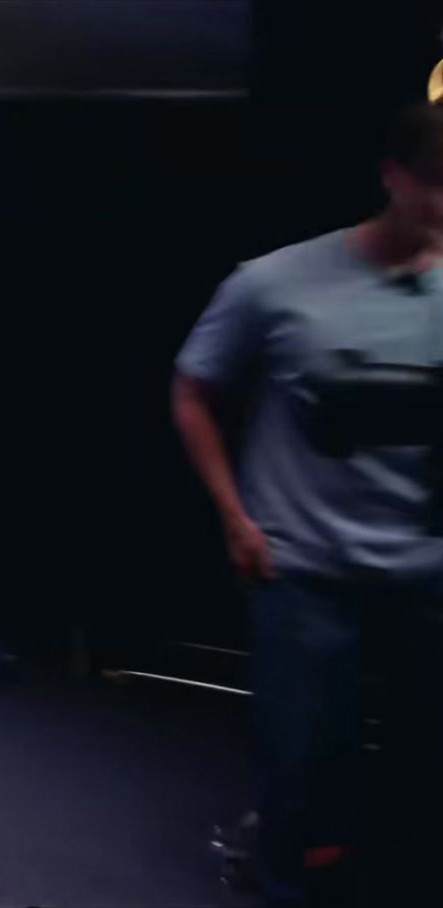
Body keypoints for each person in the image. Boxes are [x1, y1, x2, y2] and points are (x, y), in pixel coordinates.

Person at [172, 103, 443, 907]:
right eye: (436, 188)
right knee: (301, 760)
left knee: (424, 760)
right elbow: (193, 388)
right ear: (393, 176)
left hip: (427, 568)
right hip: (303, 564)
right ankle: (281, 880)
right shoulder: (275, 283)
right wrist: (234, 515)